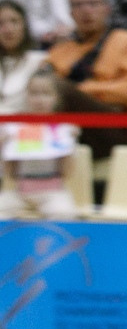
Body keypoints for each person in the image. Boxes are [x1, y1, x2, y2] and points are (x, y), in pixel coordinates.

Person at [47, 0, 127, 161]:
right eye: (79, 5)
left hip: (115, 131)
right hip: (68, 129)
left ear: (107, 8)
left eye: (93, 4)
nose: (86, 10)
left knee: (57, 88)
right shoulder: (59, 50)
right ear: (71, 13)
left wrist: (82, 90)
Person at [0, 70, 79, 220]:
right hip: (20, 192)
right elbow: (10, 173)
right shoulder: (16, 127)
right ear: (26, 96)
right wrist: (3, 146)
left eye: (46, 94)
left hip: (53, 192)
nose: (39, 100)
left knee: (64, 214)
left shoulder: (62, 128)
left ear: (56, 98)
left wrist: (70, 145)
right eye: (34, 93)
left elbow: (67, 172)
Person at [0, 0, 47, 113]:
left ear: (24, 26)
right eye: (1, 23)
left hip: (26, 125)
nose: (8, 30)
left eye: (14, 22)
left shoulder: (41, 61)